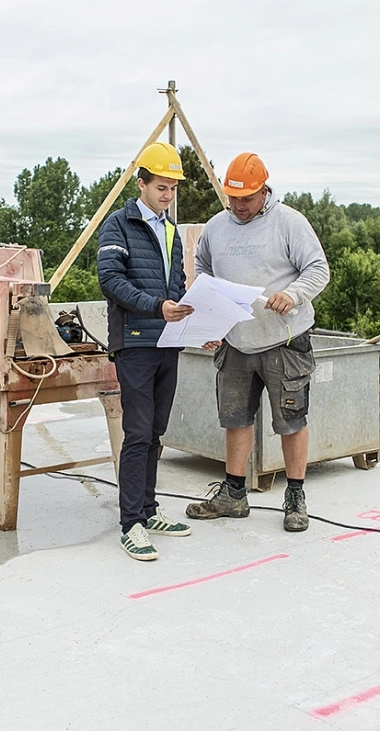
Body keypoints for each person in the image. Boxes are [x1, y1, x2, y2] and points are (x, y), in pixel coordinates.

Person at [185, 152, 330, 531]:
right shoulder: (216, 227)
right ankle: (234, 495)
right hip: (236, 339)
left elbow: (318, 269)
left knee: (291, 421)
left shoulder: (289, 223)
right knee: (235, 418)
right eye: (232, 198)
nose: (239, 206)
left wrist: (294, 294)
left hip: (283, 340)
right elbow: (202, 268)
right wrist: (212, 318)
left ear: (264, 190)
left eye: (246, 199)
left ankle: (295, 496)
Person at [97, 141, 196, 561]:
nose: (167, 195)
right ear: (142, 183)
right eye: (161, 186)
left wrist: (195, 321)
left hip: (168, 343)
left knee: (156, 432)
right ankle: (131, 523)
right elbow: (110, 280)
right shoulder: (119, 225)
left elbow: (177, 285)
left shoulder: (171, 230)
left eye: (172, 188)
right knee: (136, 433)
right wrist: (157, 307)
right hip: (136, 341)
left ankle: (149, 511)